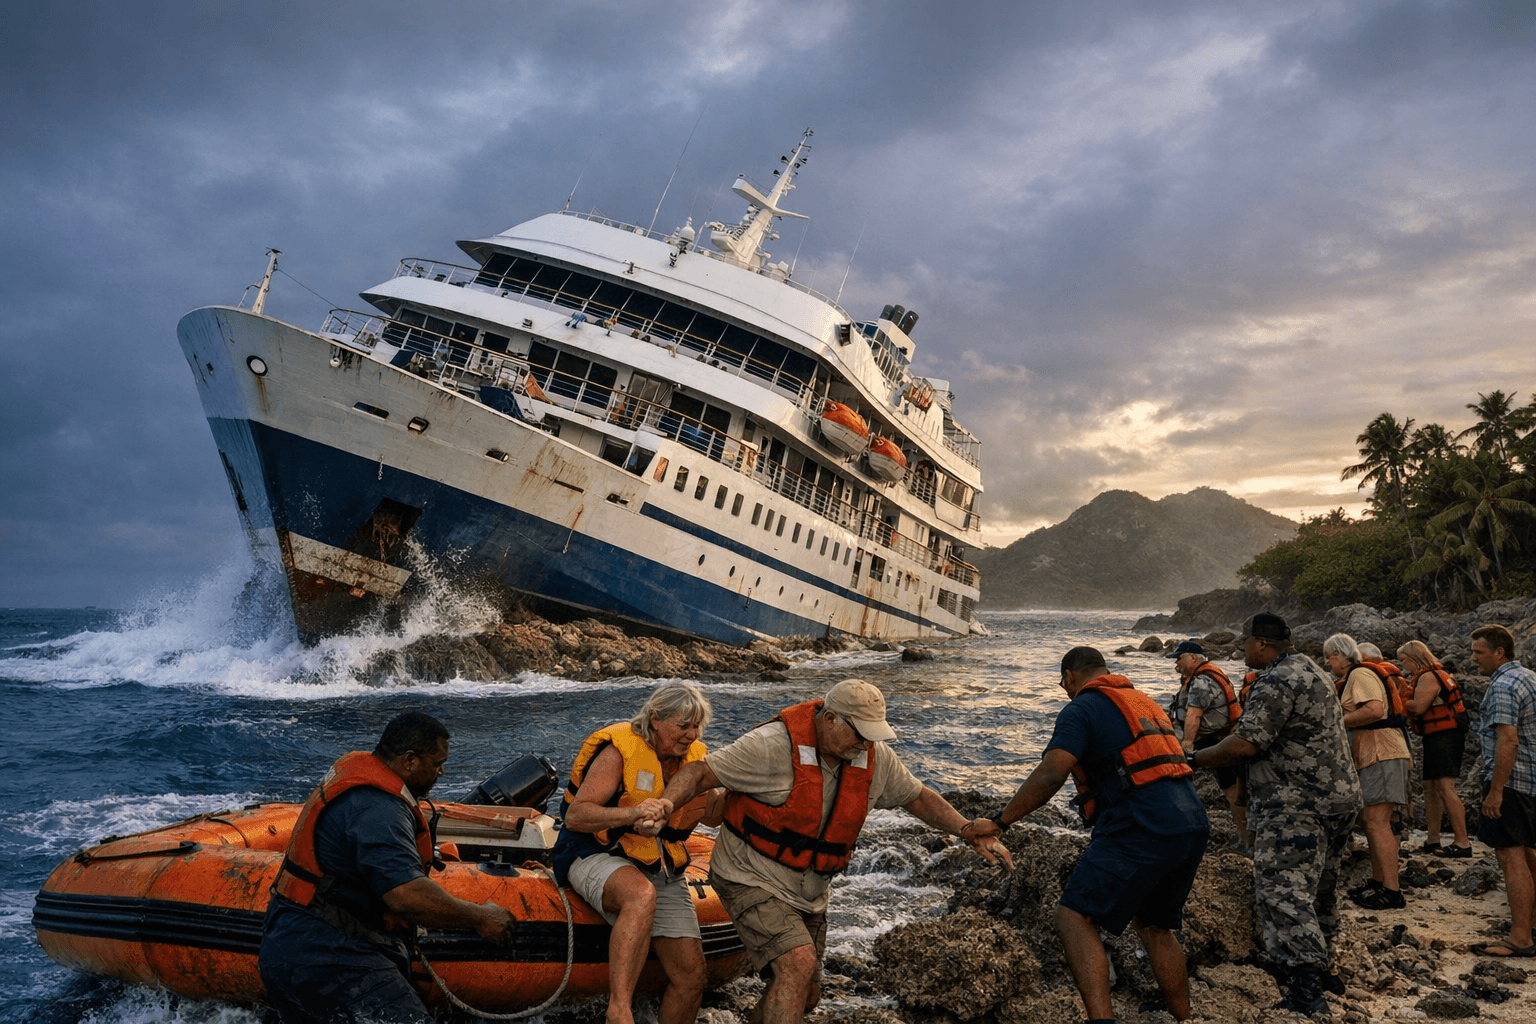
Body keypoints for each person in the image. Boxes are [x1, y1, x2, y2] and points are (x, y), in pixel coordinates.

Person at [645, 679, 1012, 1024]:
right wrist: (664, 804)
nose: (866, 744)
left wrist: (965, 829)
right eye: (860, 733)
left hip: (809, 890)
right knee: (797, 964)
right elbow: (699, 774)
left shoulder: (872, 756)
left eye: (873, 735)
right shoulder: (772, 746)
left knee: (807, 995)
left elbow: (916, 797)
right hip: (749, 875)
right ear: (830, 718)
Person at [991, 646, 1209, 1023]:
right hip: (1192, 822)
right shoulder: (1143, 701)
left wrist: (1000, 822)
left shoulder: (1081, 708)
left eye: (1063, 683)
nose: (1064, 690)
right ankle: (1184, 1019)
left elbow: (1052, 772)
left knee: (1073, 917)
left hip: (1142, 823)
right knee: (1156, 925)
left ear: (1070, 677)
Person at [258, 712, 516, 1024]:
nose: (442, 772)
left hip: (289, 936)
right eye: (436, 764)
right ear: (409, 761)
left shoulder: (356, 769)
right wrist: (479, 918)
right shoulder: (380, 809)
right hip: (328, 952)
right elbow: (406, 896)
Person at [1191, 614, 1362, 1017]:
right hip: (1338, 799)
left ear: (1263, 644)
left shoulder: (1276, 679)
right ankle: (1321, 968)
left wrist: (1193, 759)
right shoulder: (1313, 670)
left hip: (1296, 804)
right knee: (1320, 889)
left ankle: (1304, 986)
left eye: (1245, 643)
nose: (1241, 650)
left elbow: (1248, 743)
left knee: (1283, 892)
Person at [552, 681, 724, 1024]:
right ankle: (619, 1010)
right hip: (594, 850)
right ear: (656, 719)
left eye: (696, 726)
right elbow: (577, 815)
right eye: (683, 725)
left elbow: (715, 815)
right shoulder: (618, 752)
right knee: (641, 895)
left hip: (659, 861)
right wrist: (633, 813)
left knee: (691, 978)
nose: (691, 735)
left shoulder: (695, 760)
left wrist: (741, 779)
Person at [1322, 633, 1413, 910]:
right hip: (1376, 754)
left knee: (1376, 821)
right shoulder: (1359, 674)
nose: (1329, 664)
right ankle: (1378, 882)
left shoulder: (1359, 674)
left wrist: (1337, 721)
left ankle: (1392, 892)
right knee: (1372, 820)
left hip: (1381, 753)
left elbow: (1374, 710)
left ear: (1339, 656)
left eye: (1329, 659)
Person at [1469, 623, 1536, 958]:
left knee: (1510, 855)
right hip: (1532, 780)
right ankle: (1529, 927)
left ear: (1499, 652)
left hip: (1513, 782)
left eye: (1479, 652)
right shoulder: (1529, 676)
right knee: (1527, 853)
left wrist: (1495, 792)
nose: (1473, 659)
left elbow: (1507, 741)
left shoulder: (1503, 685)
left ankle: (1521, 936)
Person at [1166, 639, 1249, 846]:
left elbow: (1194, 715)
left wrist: (1186, 744)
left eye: (1179, 658)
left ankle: (1246, 839)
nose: (1175, 663)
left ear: (1193, 658)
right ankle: (1245, 837)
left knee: (1231, 790)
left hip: (1214, 740)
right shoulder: (1200, 676)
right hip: (1217, 738)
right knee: (1232, 790)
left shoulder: (1202, 681)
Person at [1398, 639, 1472, 858]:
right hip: (1435, 735)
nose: (1403, 666)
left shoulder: (1429, 676)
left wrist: (1397, 699)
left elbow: (1419, 706)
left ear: (1414, 659)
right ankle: (1433, 840)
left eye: (1404, 661)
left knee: (1445, 786)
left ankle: (1462, 842)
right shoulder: (1430, 675)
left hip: (1445, 736)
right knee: (1430, 786)